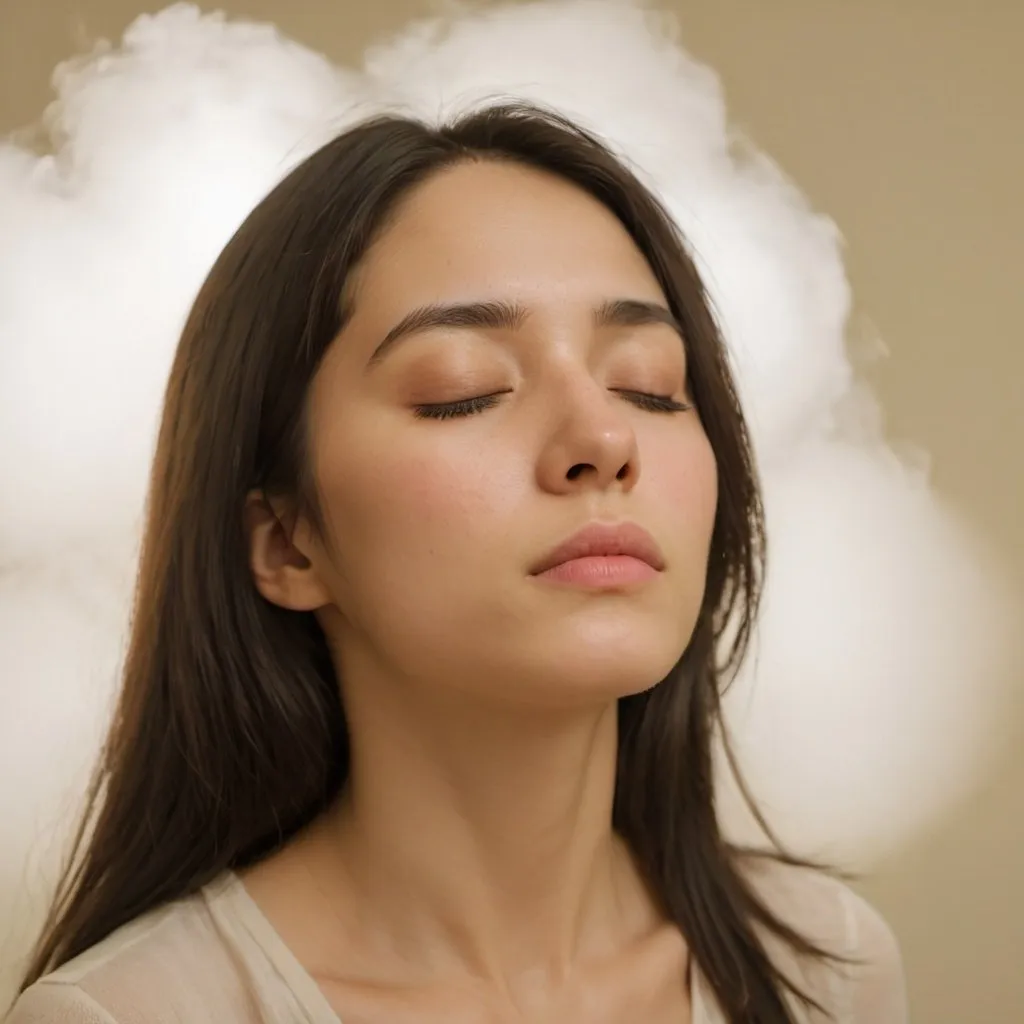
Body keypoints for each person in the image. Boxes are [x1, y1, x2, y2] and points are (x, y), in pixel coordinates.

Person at [6, 102, 907, 1024]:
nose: (603, 436)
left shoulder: (826, 970)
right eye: (463, 393)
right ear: (286, 540)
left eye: (649, 385)